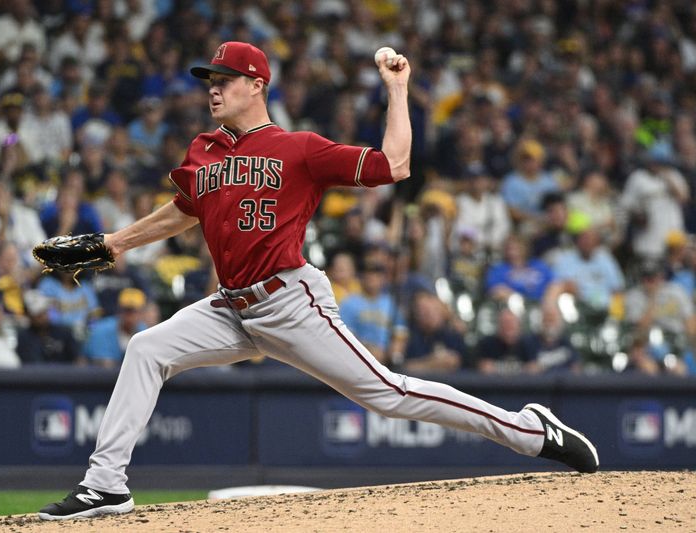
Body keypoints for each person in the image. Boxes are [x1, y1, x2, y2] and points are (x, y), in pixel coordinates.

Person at [39, 42, 598, 521]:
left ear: (256, 85)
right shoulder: (202, 150)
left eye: (224, 80)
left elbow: (394, 165)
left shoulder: (299, 149)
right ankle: (106, 484)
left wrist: (397, 91)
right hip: (229, 308)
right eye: (210, 81)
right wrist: (112, 244)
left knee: (390, 395)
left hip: (289, 301)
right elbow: (185, 209)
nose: (212, 89)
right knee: (146, 348)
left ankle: (528, 430)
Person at [83, 288, 148, 368]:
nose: (130, 316)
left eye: (135, 311)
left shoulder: (144, 331)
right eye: (127, 310)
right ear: (119, 311)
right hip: (97, 377)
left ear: (142, 313)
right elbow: (104, 366)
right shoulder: (102, 330)